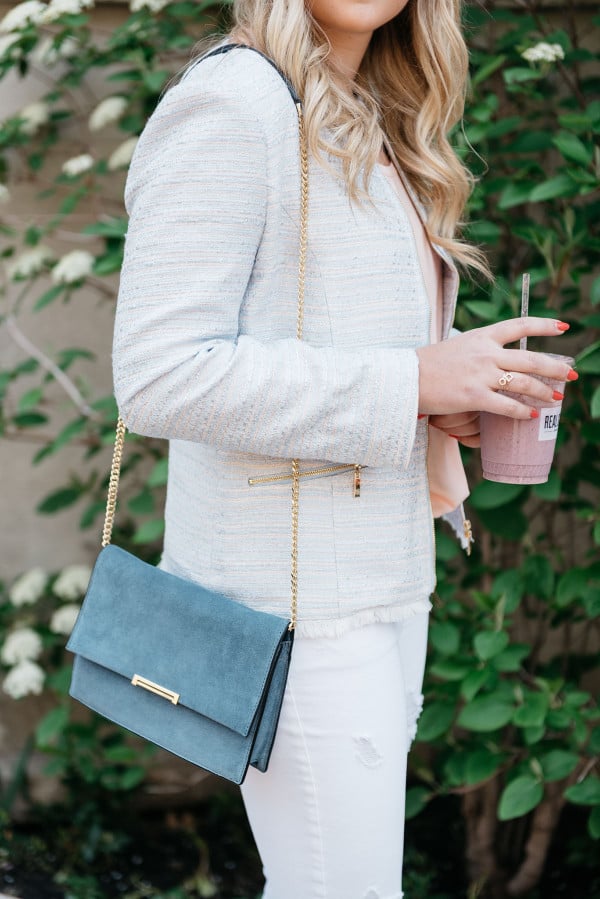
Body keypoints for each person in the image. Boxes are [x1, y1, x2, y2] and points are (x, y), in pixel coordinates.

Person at [112, 1, 576, 895]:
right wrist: (412, 382)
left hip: (378, 579)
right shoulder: (236, 102)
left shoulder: (364, 106)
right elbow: (161, 374)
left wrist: (444, 399)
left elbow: (339, 339)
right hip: (293, 607)